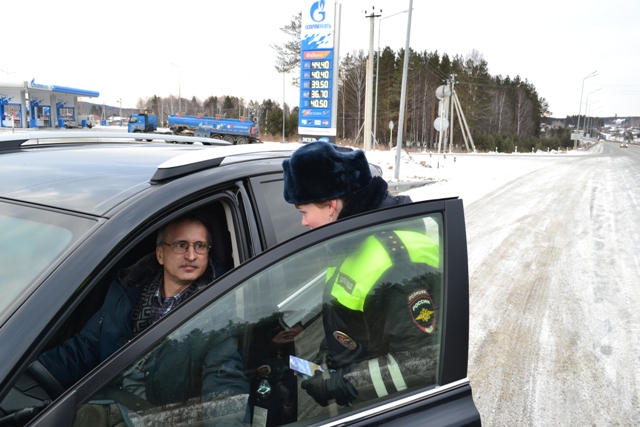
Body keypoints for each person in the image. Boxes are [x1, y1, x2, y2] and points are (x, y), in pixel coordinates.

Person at [34, 212, 249, 424]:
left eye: (200, 246)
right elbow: (83, 349)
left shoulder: (216, 311)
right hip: (101, 409)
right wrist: (27, 373)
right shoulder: (126, 294)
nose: (191, 255)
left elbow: (225, 384)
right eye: (181, 245)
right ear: (160, 255)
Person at [282, 141, 441, 407]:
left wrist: (338, 385)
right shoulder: (350, 240)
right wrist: (327, 357)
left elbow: (416, 367)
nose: (303, 222)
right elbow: (352, 323)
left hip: (386, 410)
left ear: (331, 206)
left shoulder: (397, 264)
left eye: (304, 211)